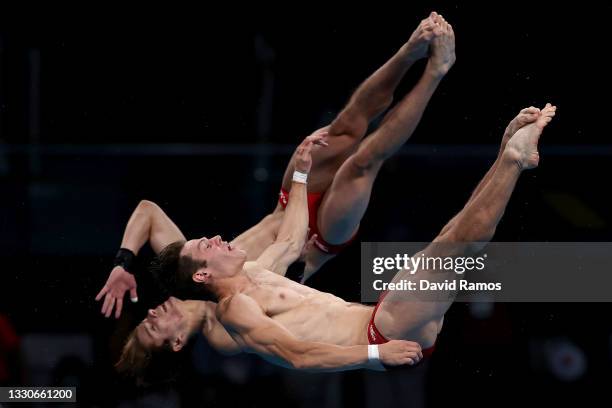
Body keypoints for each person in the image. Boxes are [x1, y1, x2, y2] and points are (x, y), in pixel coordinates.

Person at [116, 101, 557, 378]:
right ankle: (515, 160)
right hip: (380, 333)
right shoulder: (235, 314)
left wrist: (303, 171)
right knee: (451, 247)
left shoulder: (251, 274)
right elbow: (298, 356)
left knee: (450, 242)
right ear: (204, 274)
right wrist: (372, 356)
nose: (215, 237)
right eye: (205, 246)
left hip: (380, 315)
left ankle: (506, 155)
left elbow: (290, 240)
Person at [97, 11, 454, 318]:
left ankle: (410, 50)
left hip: (288, 203)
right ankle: (436, 71)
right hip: (320, 238)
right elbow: (290, 247)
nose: (157, 315)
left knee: (344, 130)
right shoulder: (231, 310)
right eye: (157, 325)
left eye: (153, 316)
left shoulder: (189, 264)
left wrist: (122, 263)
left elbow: (147, 211)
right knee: (363, 162)